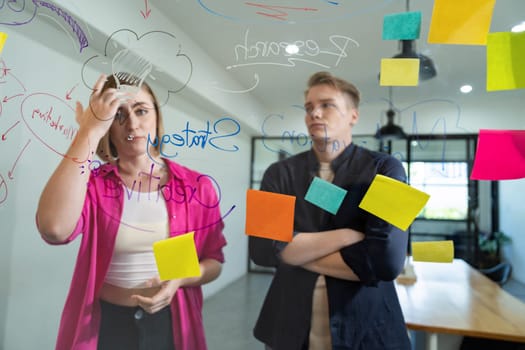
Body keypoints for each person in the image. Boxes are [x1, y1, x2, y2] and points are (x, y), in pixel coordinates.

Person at [36, 73, 227, 350]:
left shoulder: (197, 186)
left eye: (141, 110)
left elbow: (213, 261)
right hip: (105, 324)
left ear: (157, 117)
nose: (133, 124)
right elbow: (53, 228)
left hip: (171, 321)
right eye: (118, 115)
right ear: (107, 126)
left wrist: (180, 279)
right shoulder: (93, 184)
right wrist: (88, 132)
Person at [249, 71, 411, 350]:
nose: (315, 113)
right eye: (309, 107)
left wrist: (292, 249)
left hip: (367, 331)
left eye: (327, 105)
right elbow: (261, 250)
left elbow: (387, 262)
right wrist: (348, 236)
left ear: (353, 115)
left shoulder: (388, 169)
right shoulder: (279, 173)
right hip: (288, 327)